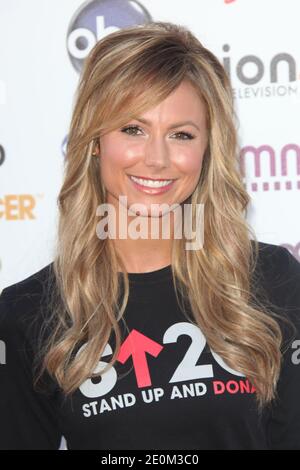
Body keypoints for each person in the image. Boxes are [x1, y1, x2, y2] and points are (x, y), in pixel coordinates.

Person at [0, 21, 299, 450]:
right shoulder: (28, 314)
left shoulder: (273, 279)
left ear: (207, 149)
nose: (157, 159)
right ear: (95, 141)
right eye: (133, 129)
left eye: (181, 135)